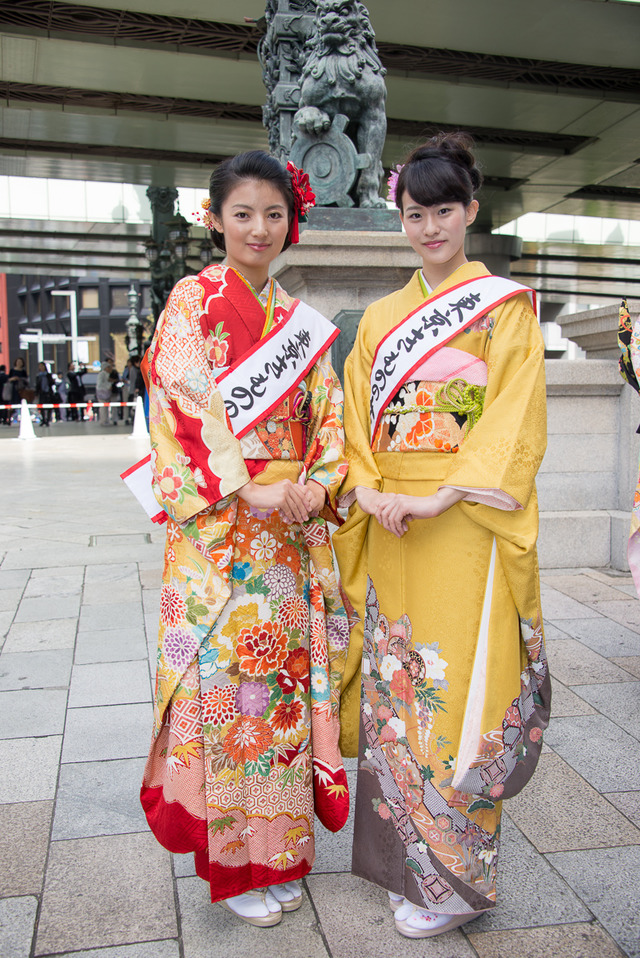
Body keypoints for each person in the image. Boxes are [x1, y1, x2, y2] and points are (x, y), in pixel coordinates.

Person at [333, 132, 551, 939]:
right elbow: (356, 419)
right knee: (401, 688)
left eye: (444, 212)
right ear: (402, 218)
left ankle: (455, 878)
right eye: (415, 214)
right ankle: (410, 866)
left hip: (463, 522)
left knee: (459, 688)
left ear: (471, 212)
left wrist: (440, 496)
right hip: (392, 521)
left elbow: (512, 417)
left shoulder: (504, 310)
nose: (430, 228)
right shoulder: (384, 317)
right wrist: (368, 486)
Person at [140, 150, 350, 928]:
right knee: (233, 699)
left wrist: (319, 482)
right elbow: (183, 405)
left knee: (283, 697)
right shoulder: (191, 302)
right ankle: (235, 864)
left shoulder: (297, 322)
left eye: (273, 214)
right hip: (223, 543)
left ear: (290, 221)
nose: (259, 229)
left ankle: (279, 850)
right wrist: (250, 486)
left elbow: (328, 418)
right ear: (215, 219)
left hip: (285, 542)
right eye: (243, 213)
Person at [35, 361, 55, 426]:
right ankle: (43, 419)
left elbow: (51, 383)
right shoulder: (38, 376)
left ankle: (48, 420)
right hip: (42, 393)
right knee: (42, 407)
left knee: (49, 406)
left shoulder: (48, 375)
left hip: (48, 392)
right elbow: (37, 386)